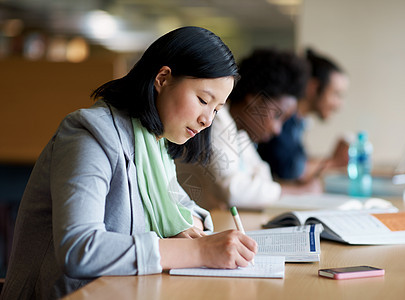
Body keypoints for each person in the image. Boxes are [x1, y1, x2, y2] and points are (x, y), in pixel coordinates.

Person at [1, 26, 257, 300]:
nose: (208, 119)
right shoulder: (89, 134)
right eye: (203, 100)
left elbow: (183, 210)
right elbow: (80, 249)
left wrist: (191, 229)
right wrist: (199, 250)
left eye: (216, 109)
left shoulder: (155, 146)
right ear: (163, 78)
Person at [175, 48, 312, 210]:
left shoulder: (240, 132)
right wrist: (298, 191)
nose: (277, 130)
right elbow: (234, 191)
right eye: (276, 116)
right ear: (254, 101)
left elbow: (263, 178)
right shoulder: (217, 122)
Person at [258, 48, 350, 184]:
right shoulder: (282, 120)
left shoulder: (299, 122)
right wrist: (334, 161)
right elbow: (288, 172)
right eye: (336, 94)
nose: (339, 105)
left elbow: (298, 162)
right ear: (313, 87)